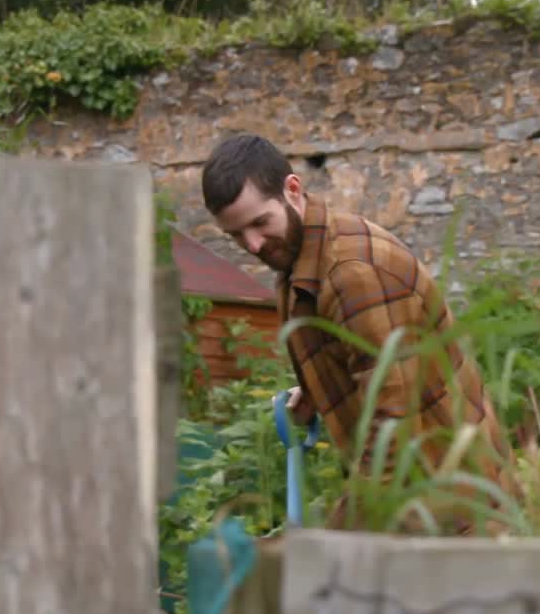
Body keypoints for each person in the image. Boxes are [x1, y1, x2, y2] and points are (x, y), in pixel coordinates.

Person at [199, 133, 515, 534]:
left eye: (260, 223)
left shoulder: (353, 274)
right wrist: (318, 386)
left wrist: (338, 540)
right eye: (236, 235)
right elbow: (369, 359)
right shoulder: (300, 259)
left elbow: (393, 424)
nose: (253, 244)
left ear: (292, 189)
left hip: (459, 518)